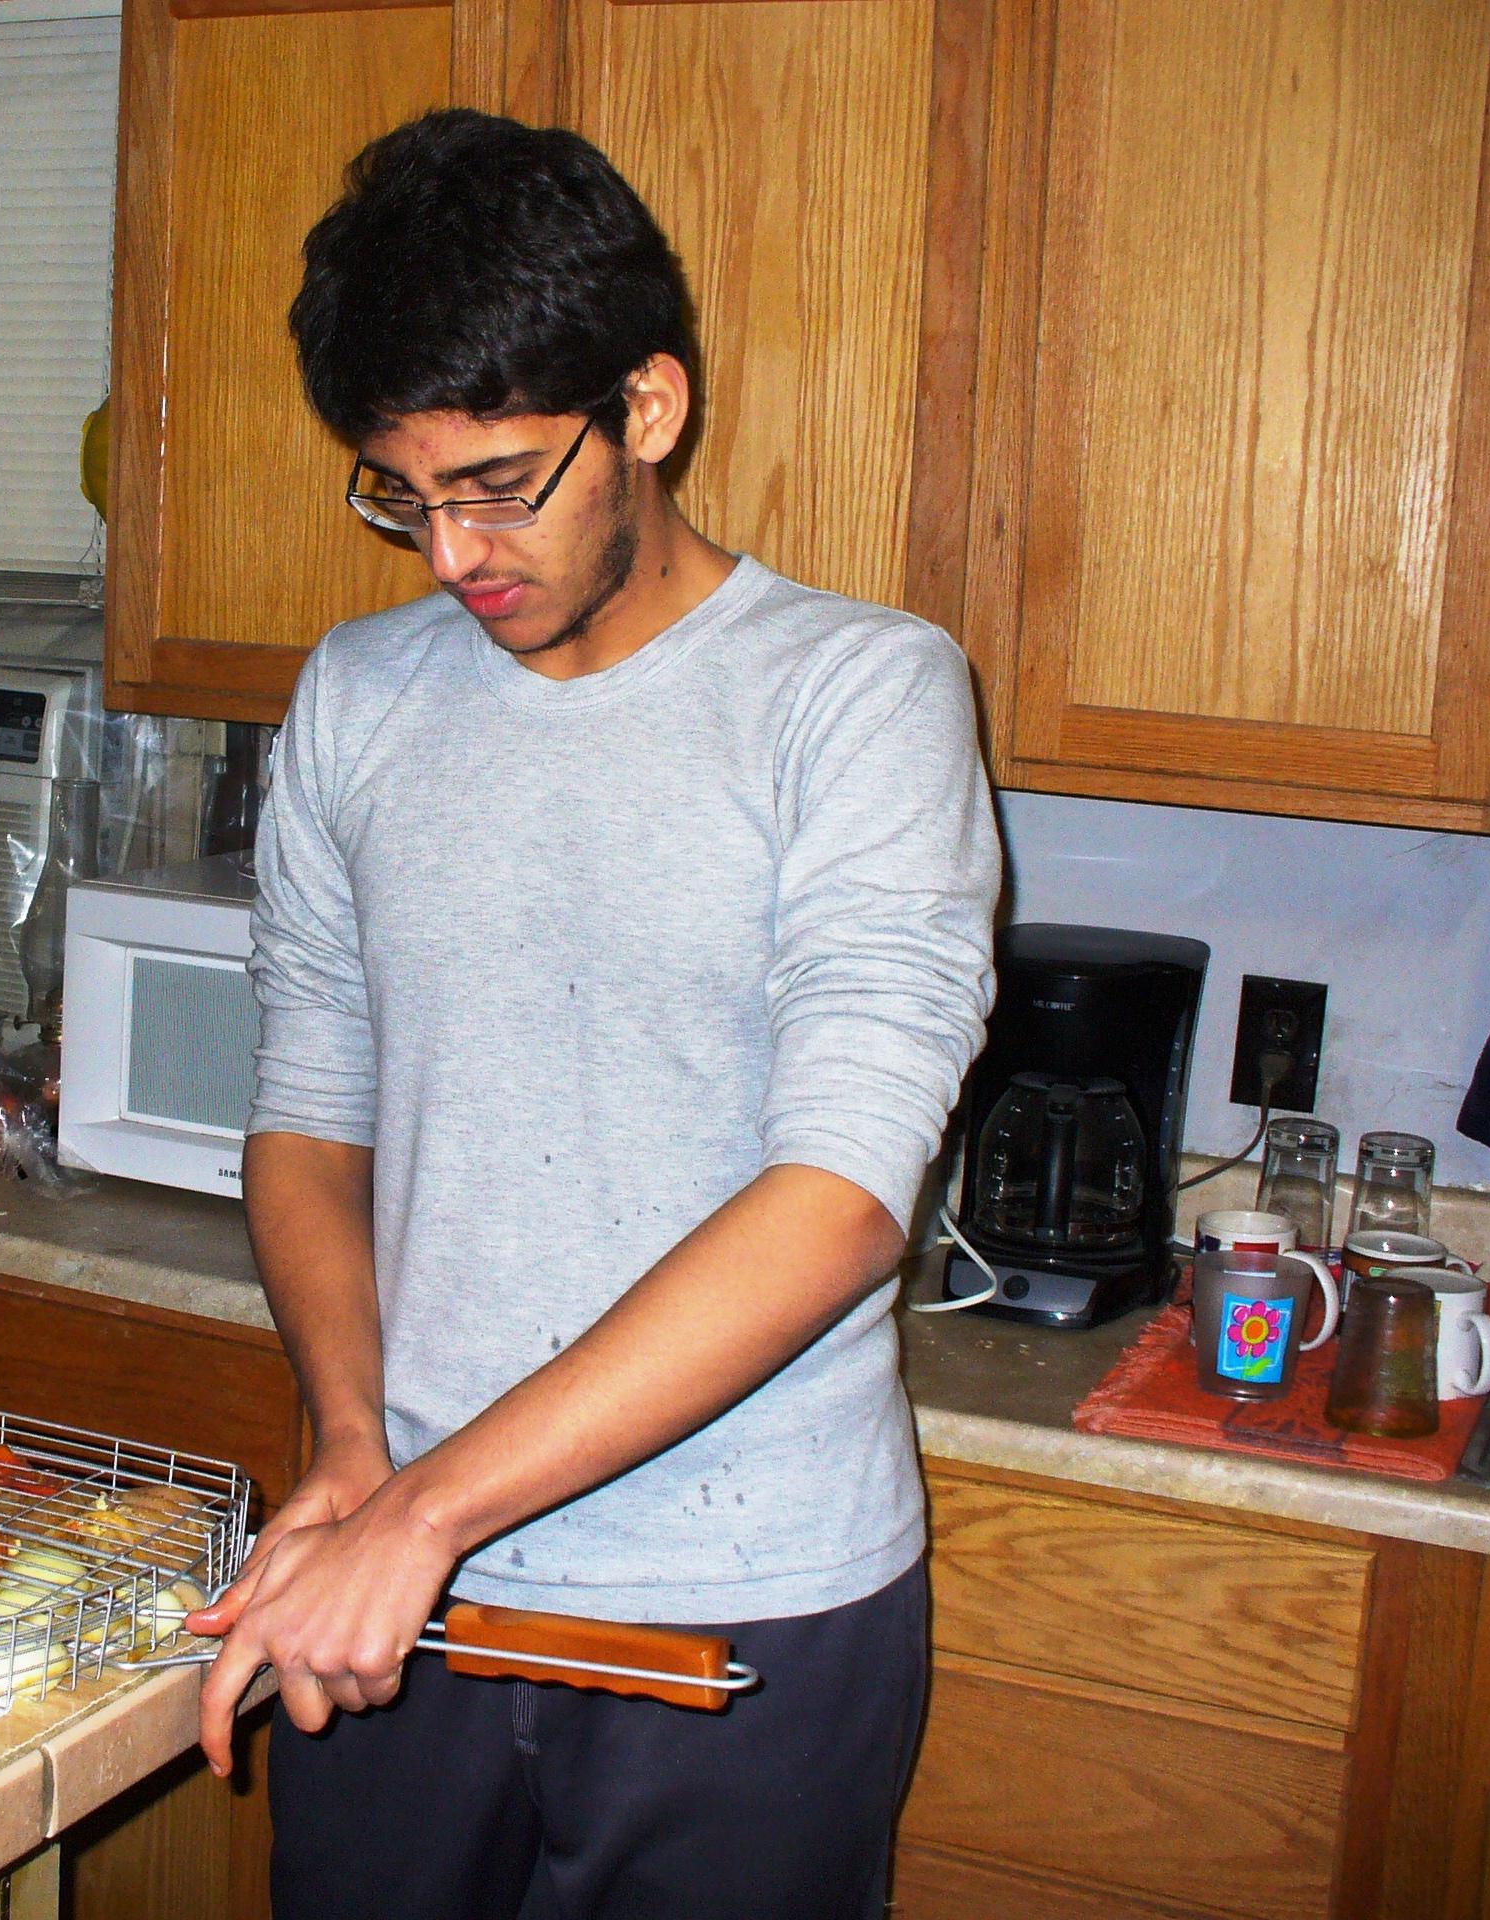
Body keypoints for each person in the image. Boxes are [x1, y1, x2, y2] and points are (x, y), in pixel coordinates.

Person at [180, 109, 1003, 1918]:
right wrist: (351, 1448)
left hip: (745, 1614)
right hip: (402, 1600)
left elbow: (844, 1195)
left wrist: (421, 1512)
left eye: (496, 483)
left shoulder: (860, 700)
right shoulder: (363, 696)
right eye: (403, 493)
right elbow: (313, 1110)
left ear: (650, 407)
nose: (452, 553)